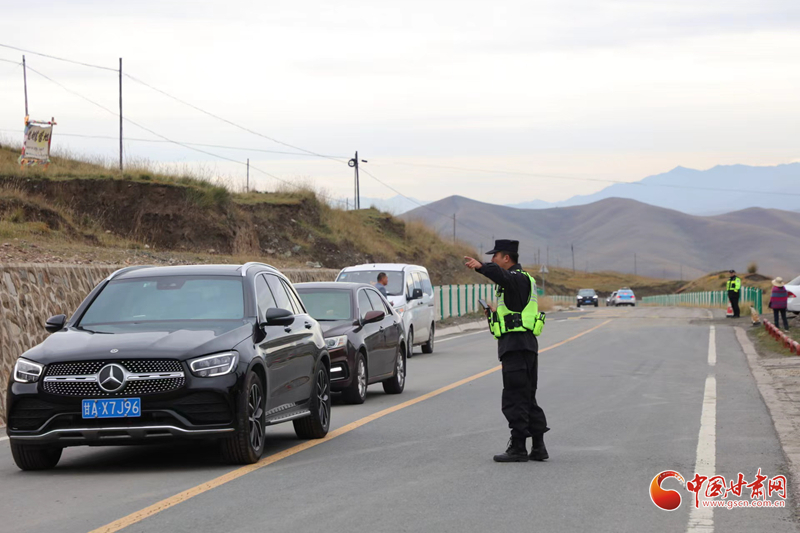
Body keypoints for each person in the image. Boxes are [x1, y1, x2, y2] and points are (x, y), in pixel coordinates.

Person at [465, 239, 549, 463]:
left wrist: (481, 266)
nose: (493, 259)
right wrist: (494, 313)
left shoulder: (516, 278)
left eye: (495, 256)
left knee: (515, 397)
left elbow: (500, 275)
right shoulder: (523, 280)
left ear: (506, 258)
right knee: (527, 396)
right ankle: (538, 447)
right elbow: (515, 311)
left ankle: (519, 447)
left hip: (516, 347)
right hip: (525, 345)